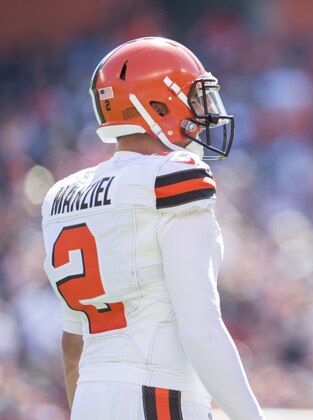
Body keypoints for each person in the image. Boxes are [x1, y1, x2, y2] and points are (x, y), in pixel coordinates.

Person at [41, 37, 265, 420]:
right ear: (158, 104)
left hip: (90, 398)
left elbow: (73, 346)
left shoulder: (60, 195)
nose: (204, 112)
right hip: (158, 394)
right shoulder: (172, 176)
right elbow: (200, 329)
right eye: (195, 99)